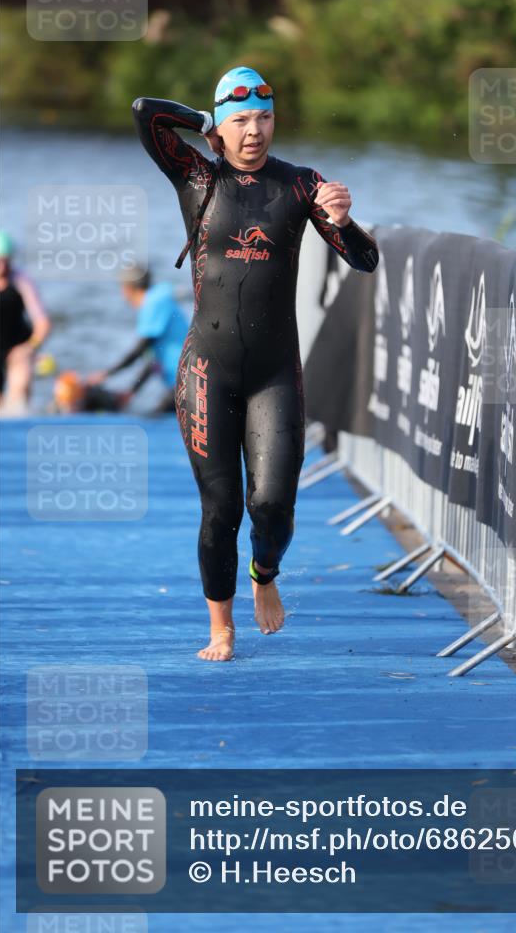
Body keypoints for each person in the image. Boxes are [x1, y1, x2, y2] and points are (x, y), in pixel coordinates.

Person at [132, 65, 379, 663]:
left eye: (263, 117)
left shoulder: (300, 186)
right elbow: (145, 111)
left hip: (273, 374)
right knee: (220, 509)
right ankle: (221, 629)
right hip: (206, 373)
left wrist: (342, 223)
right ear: (221, 127)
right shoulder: (197, 177)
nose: (253, 131)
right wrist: (204, 123)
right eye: (239, 120)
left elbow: (367, 259)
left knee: (271, 507)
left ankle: (264, 573)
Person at [87, 266, 188, 413]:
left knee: (154, 424)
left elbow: (140, 349)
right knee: (156, 419)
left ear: (128, 289)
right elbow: (154, 362)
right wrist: (132, 392)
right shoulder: (159, 300)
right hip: (183, 381)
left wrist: (106, 374)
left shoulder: (154, 303)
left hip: (184, 382)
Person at [0, 230, 52, 415]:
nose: (2, 266)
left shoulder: (21, 281)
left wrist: (31, 347)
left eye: (6, 260)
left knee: (18, 401)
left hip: (18, 347)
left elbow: (42, 322)